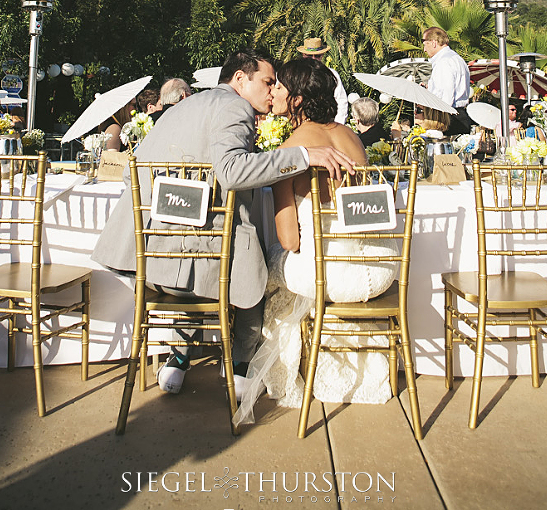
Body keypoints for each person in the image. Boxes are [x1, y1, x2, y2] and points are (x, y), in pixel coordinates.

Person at [92, 49, 354, 397]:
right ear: (240, 79)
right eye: (267, 81)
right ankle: (242, 366)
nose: (272, 89)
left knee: (225, 246)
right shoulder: (236, 107)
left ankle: (179, 356)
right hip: (201, 257)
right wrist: (302, 156)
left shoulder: (182, 106)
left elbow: (131, 172)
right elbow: (231, 172)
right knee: (255, 258)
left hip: (151, 254)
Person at [234, 58, 397, 425]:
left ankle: (259, 366)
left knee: (263, 264)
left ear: (297, 99)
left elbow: (290, 240)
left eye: (279, 86)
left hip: (333, 276)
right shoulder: (352, 137)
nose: (272, 90)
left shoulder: (290, 151)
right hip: (379, 267)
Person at [422, 27, 471, 136]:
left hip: (447, 119)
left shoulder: (443, 62)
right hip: (460, 115)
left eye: (425, 44)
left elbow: (445, 97)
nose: (424, 50)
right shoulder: (457, 59)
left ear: (433, 43)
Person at [297, 37, 348, 123]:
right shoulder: (296, 74)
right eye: (309, 56)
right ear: (304, 55)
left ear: (322, 56)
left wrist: (338, 124)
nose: (313, 59)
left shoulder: (331, 74)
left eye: (317, 56)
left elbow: (341, 101)